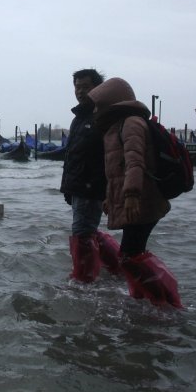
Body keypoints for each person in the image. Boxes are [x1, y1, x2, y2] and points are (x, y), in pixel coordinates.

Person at [88, 77, 182, 308]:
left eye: (100, 104)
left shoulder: (130, 124)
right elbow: (116, 170)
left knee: (130, 255)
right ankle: (144, 299)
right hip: (136, 200)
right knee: (133, 253)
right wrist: (111, 198)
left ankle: (165, 303)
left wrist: (131, 195)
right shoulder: (116, 127)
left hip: (142, 201)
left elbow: (135, 163)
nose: (96, 110)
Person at [59, 68, 121, 282]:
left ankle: (83, 280)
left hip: (91, 187)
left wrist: (107, 190)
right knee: (88, 230)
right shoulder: (79, 117)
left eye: (86, 86)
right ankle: (117, 268)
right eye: (77, 87)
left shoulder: (102, 117)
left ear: (98, 88)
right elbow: (73, 155)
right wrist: (67, 187)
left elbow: (111, 156)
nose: (81, 91)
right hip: (77, 186)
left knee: (83, 233)